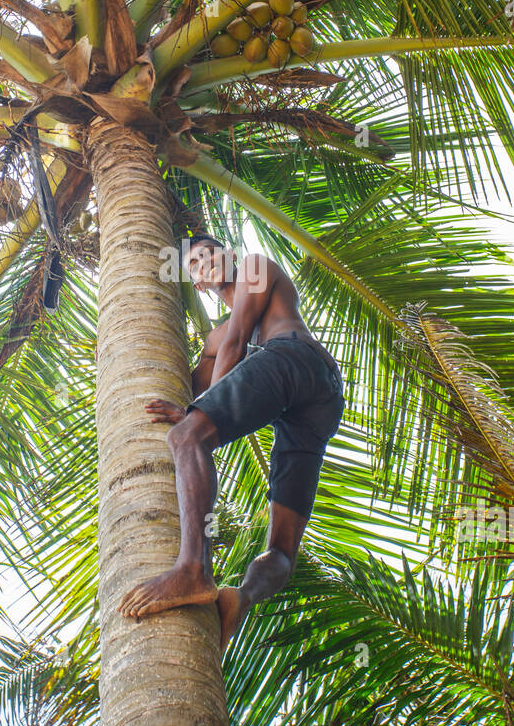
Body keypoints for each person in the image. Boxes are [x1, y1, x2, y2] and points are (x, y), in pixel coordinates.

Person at [118, 235, 345, 650]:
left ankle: (193, 568)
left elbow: (238, 343)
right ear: (199, 285)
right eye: (195, 266)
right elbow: (197, 380)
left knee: (188, 437)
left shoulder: (257, 269)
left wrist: (196, 414)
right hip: (313, 412)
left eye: (209, 254)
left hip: (298, 360)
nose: (204, 265)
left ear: (230, 256)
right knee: (282, 549)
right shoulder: (214, 340)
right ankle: (242, 596)